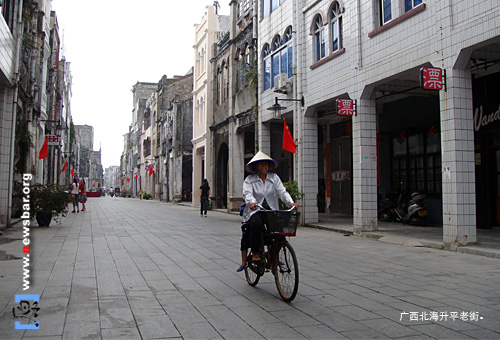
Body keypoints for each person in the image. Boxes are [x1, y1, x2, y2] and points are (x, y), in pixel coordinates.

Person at [237, 151, 299, 272]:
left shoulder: (274, 178)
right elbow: (247, 193)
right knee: (256, 224)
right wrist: (252, 202)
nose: (264, 167)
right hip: (256, 210)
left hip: (271, 210)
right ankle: (255, 253)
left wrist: (291, 203)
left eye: (266, 164)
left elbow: (282, 192)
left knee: (278, 230)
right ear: (255, 167)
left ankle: (272, 254)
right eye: (261, 165)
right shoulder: (250, 180)